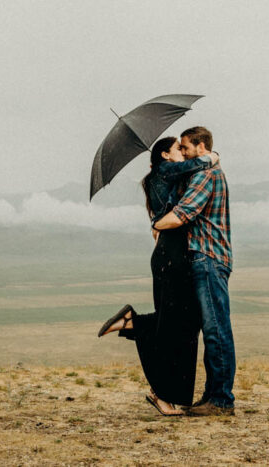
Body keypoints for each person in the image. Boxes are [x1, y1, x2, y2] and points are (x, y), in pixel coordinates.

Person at [97, 136, 218, 416]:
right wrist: (212, 156)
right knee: (180, 326)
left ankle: (134, 324)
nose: (183, 153)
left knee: (178, 323)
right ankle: (161, 392)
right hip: (173, 256)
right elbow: (200, 164)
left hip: (169, 254)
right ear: (165, 155)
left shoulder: (159, 177)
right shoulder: (165, 171)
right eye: (178, 148)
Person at [152, 126, 235, 416]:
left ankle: (222, 400)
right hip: (207, 258)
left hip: (208, 258)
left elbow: (182, 214)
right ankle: (214, 395)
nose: (183, 153)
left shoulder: (206, 175)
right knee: (212, 330)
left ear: (201, 147)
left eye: (185, 148)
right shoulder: (207, 171)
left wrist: (156, 225)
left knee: (216, 331)